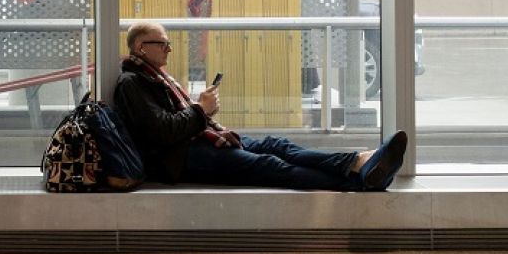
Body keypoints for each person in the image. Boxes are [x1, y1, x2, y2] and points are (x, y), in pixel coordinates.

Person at [114, 21, 406, 192]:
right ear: (141, 47)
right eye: (162, 44)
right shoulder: (132, 82)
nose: (169, 49)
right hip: (180, 159)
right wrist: (200, 111)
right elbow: (161, 133)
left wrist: (201, 112)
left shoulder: (155, 78)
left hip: (194, 144)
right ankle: (359, 178)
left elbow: (175, 122)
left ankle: (356, 163)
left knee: (276, 145)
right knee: (269, 165)